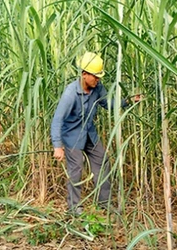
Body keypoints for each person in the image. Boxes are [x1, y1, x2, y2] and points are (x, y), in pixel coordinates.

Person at [51, 52, 139, 216]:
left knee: (103, 161)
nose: (98, 80)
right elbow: (57, 120)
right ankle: (74, 208)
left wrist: (127, 101)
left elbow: (108, 104)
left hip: (89, 134)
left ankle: (103, 203)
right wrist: (58, 146)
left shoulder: (97, 88)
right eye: (95, 77)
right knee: (76, 170)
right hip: (72, 137)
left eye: (99, 77)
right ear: (84, 74)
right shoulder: (70, 94)